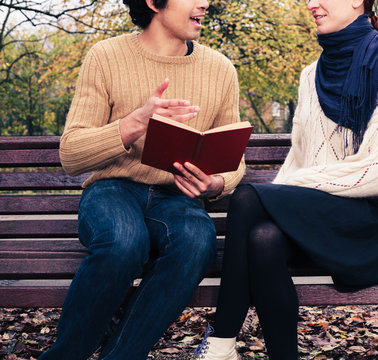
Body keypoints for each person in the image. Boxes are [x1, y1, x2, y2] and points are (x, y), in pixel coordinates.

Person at [194, 0, 378, 359]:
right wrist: (283, 203)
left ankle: (221, 343)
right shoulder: (310, 75)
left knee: (248, 198)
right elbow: (298, 160)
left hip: (371, 222)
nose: (312, 4)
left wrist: (291, 190)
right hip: (321, 216)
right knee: (262, 238)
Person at [38, 0, 245, 359]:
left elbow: (233, 157)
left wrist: (215, 183)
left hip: (178, 197)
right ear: (153, 3)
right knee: (123, 242)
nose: (205, 3)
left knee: (198, 240)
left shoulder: (220, 69)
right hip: (112, 189)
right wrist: (134, 123)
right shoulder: (105, 56)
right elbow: (71, 154)